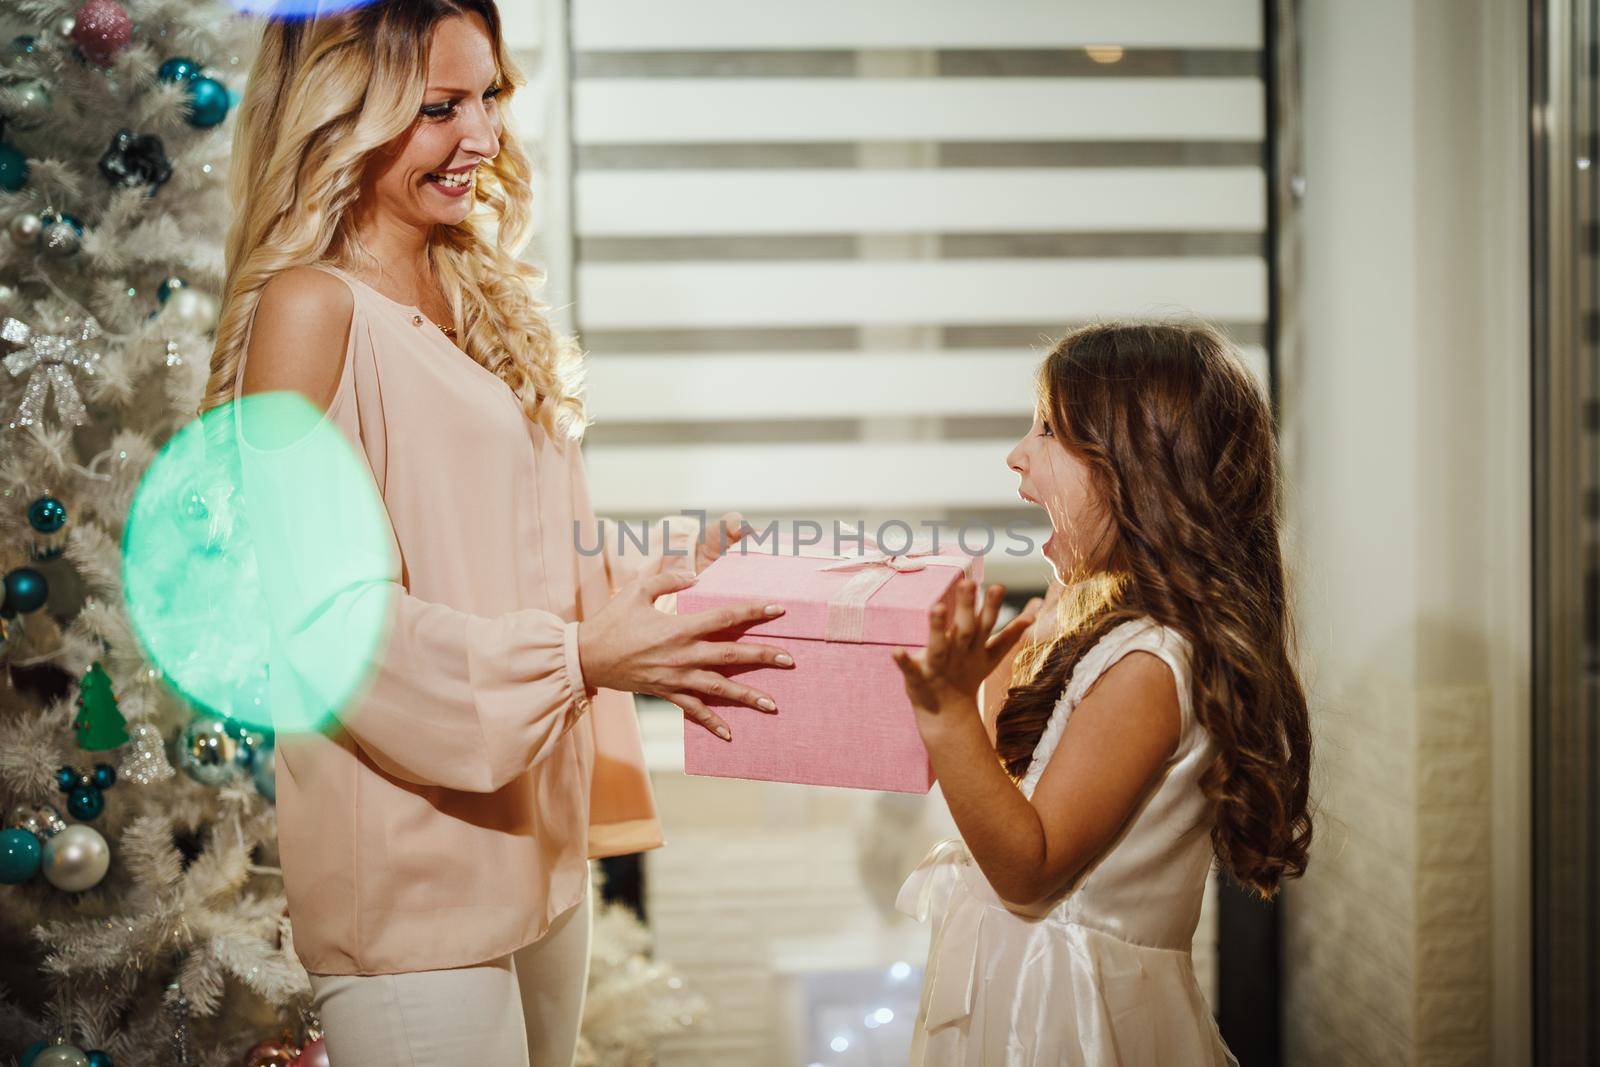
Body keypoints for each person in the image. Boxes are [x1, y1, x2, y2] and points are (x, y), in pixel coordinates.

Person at [196, 2, 795, 1063]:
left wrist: (642, 582)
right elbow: (327, 623)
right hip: (410, 874)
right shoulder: (308, 310)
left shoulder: (474, 285)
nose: (482, 137)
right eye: (439, 108)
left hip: (536, 846)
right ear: (339, 114)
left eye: (490, 98)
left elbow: (494, 539)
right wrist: (576, 653)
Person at [892, 322, 1313, 1066]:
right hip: (1018, 998)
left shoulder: (1150, 662)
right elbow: (1005, 780)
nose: (1017, 454)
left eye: (1050, 429)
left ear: (1140, 472)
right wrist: (977, 679)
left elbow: (1027, 870)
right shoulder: (1090, 629)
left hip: (1070, 1024)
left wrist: (947, 711)